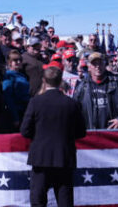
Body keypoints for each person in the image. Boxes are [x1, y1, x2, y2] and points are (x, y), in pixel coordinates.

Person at [20, 67, 86, 207]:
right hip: (64, 157)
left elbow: (25, 130)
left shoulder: (35, 102)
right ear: (60, 81)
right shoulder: (72, 104)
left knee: (38, 200)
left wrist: (40, 137)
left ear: (44, 81)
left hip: (41, 157)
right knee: (65, 201)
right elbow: (81, 132)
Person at [72, 52, 118, 129]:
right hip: (92, 134)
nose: (97, 66)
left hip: (115, 133)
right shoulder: (82, 87)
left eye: (100, 63)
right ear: (89, 67)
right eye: (94, 64)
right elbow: (74, 110)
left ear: (104, 64)